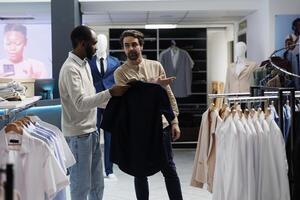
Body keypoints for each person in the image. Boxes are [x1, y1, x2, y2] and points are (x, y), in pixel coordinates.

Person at [58, 25, 129, 200]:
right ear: (82, 44)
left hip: (91, 132)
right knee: (81, 187)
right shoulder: (70, 69)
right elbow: (81, 104)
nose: (96, 47)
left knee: (97, 185)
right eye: (94, 43)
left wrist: (119, 105)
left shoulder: (84, 65)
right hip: (78, 136)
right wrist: (111, 92)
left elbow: (92, 98)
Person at [114, 29, 183, 200]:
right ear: (123, 48)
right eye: (127, 45)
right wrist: (154, 84)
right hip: (138, 129)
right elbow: (131, 99)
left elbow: (168, 95)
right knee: (140, 171)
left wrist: (174, 121)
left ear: (141, 46)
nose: (131, 48)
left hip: (161, 126)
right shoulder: (120, 73)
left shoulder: (156, 66)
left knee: (169, 168)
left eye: (134, 44)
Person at [88, 33, 120, 180]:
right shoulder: (88, 62)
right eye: (99, 42)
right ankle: (93, 169)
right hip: (94, 101)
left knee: (110, 137)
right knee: (92, 136)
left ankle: (109, 170)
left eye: (104, 42)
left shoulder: (115, 62)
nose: (101, 45)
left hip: (109, 102)